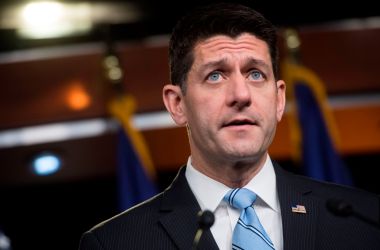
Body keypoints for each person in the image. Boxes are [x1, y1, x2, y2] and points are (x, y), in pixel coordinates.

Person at [79, 3, 380, 249]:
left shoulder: (364, 220)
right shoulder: (116, 244)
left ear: (278, 99)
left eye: (255, 74)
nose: (241, 95)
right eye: (215, 75)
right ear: (177, 104)